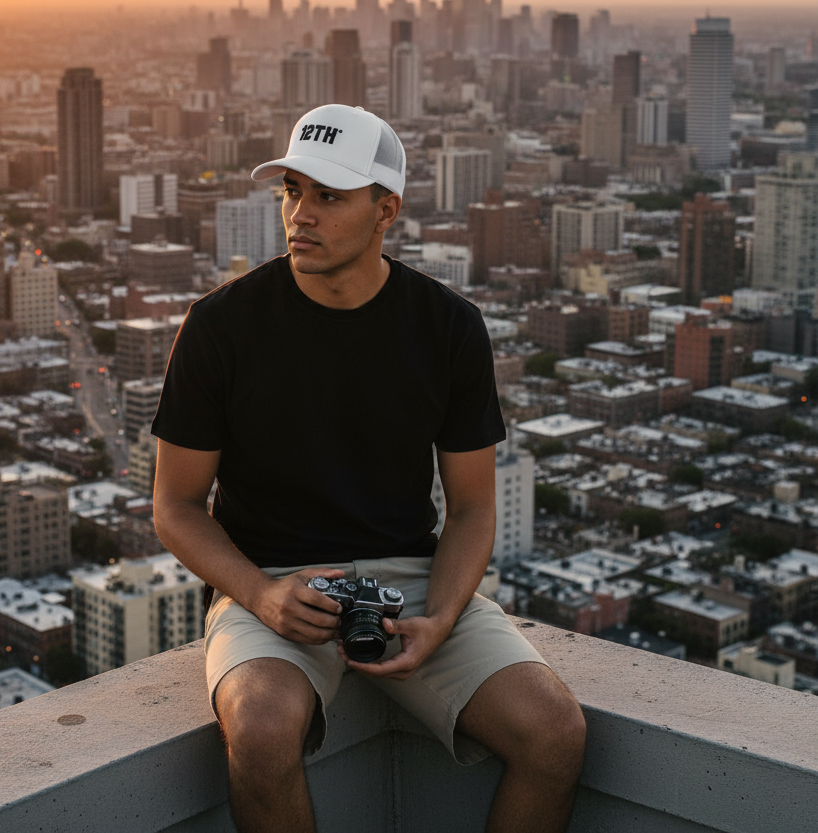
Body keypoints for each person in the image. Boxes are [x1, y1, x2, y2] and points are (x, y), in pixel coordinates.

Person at [152, 104, 586, 833]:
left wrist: (441, 619)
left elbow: (475, 508)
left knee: (555, 734)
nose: (301, 214)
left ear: (387, 210)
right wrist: (261, 595)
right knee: (259, 734)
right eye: (291, 190)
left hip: (410, 579)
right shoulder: (221, 325)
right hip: (274, 581)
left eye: (328, 195)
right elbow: (177, 507)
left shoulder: (447, 326)